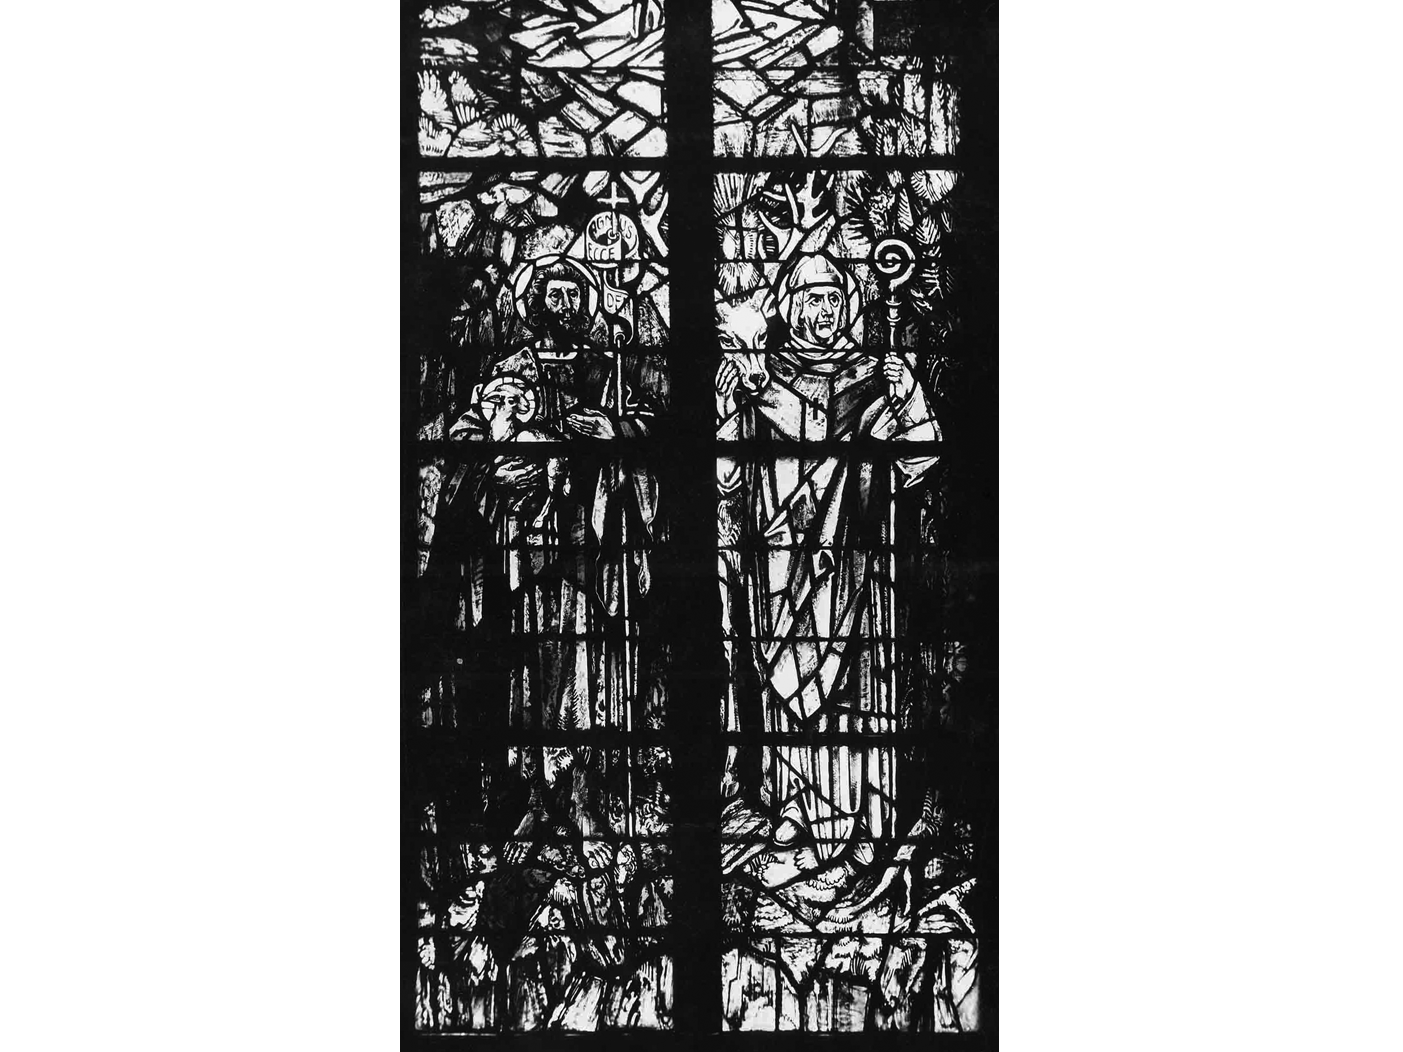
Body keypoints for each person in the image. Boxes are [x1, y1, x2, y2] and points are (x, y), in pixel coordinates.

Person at [716, 252, 941, 910]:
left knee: (847, 688)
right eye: (810, 298)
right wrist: (735, 401)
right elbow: (729, 470)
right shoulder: (768, 374)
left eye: (833, 297)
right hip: (780, 554)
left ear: (849, 304)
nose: (823, 310)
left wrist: (908, 394)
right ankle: (794, 804)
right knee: (784, 677)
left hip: (854, 561)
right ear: (790, 305)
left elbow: (920, 457)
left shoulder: (870, 373)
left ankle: (852, 822)